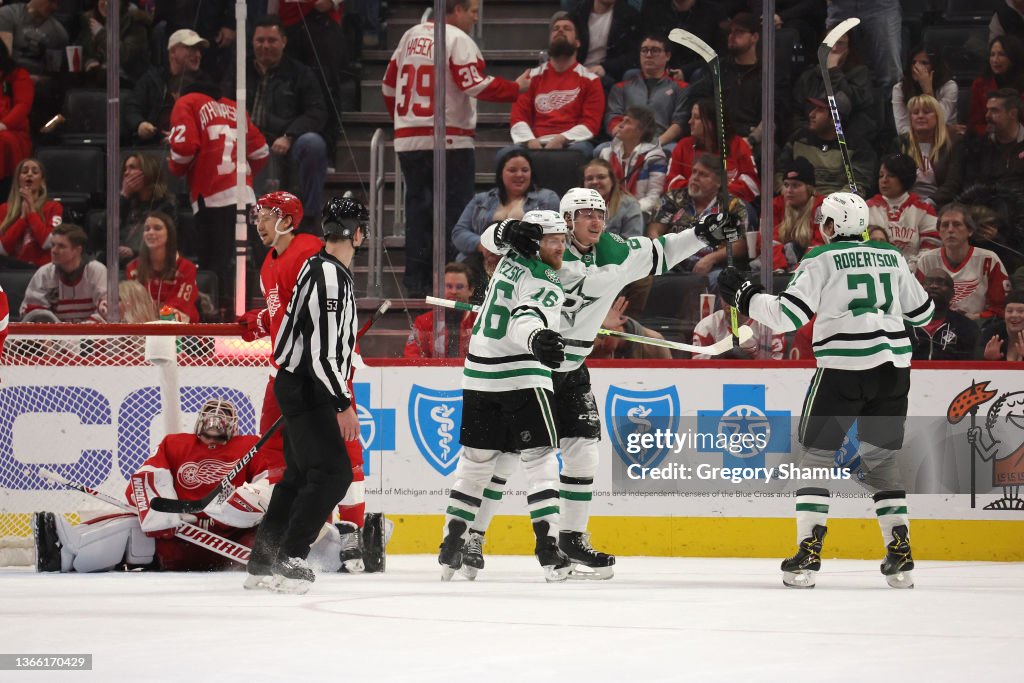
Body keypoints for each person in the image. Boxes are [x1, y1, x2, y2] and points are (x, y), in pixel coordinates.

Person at [462, 188, 727, 580]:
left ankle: (571, 538)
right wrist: (506, 232)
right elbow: (491, 240)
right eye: (585, 214)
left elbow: (663, 251)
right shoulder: (544, 245)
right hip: (527, 365)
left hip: (572, 365)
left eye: (600, 213)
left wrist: (704, 234)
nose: (596, 221)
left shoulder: (616, 252)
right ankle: (472, 536)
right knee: (506, 456)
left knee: (584, 450)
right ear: (566, 220)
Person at [718, 191, 936, 589]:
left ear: (832, 226)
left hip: (843, 372)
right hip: (893, 373)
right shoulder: (890, 255)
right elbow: (924, 313)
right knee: (881, 462)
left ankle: (808, 553)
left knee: (813, 457)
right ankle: (900, 555)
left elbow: (786, 317)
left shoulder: (820, 258)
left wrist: (744, 295)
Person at [437, 209, 572, 582]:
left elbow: (488, 238)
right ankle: (548, 546)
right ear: (536, 242)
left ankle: (453, 542)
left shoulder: (510, 255)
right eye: (553, 239)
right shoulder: (546, 278)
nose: (561, 246)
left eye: (563, 238)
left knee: (477, 465)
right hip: (522, 375)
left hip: (479, 375)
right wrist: (537, 339)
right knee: (541, 460)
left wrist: (507, 229)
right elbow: (524, 319)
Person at [245, 197, 367, 594]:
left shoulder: (314, 265)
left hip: (294, 381)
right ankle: (290, 555)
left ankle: (262, 561)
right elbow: (323, 351)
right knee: (334, 475)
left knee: (297, 477)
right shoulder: (330, 275)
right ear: (358, 234)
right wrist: (342, 402)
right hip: (309, 384)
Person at [383, 0, 530, 299]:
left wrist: (403, 121)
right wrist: (516, 89)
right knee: (455, 216)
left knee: (418, 213)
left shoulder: (409, 36)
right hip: (450, 139)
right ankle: (454, 285)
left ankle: (416, 283)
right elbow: (472, 82)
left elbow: (387, 86)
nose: (475, 18)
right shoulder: (457, 39)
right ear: (457, 10)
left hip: (409, 138)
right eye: (473, 12)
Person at [31, 399, 276, 573]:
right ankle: (61, 555)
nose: (214, 427)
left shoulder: (250, 445)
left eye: (221, 421)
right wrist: (163, 514)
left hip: (230, 542)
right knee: (128, 528)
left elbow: (269, 483)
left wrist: (242, 504)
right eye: (210, 418)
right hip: (177, 538)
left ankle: (68, 553)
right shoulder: (175, 444)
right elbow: (148, 475)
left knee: (267, 539)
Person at [168, 79, 269, 318]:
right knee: (247, 258)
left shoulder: (186, 102)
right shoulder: (235, 108)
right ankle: (248, 316)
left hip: (211, 197)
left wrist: (173, 166)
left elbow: (184, 149)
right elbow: (262, 151)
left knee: (215, 264)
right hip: (245, 193)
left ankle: (220, 319)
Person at [231, 15, 329, 220]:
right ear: (252, 42)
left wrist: (289, 135)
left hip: (283, 140)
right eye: (260, 40)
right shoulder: (238, 70)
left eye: (272, 40)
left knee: (313, 144)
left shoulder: (301, 73)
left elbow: (317, 112)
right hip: (244, 141)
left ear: (284, 42)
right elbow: (223, 104)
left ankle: (309, 218)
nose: (265, 46)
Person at [510, 12, 605, 157]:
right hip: (534, 142)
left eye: (567, 28)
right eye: (556, 29)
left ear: (578, 42)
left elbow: (590, 124)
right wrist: (530, 141)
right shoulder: (531, 77)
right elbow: (518, 117)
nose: (560, 30)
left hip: (571, 144)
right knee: (504, 155)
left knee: (581, 152)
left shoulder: (591, 80)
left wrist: (561, 139)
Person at [451, 150, 559, 278]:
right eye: (512, 170)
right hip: (481, 261)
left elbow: (556, 236)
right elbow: (458, 233)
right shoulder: (481, 200)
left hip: (526, 262)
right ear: (501, 174)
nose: (519, 175)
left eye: (525, 170)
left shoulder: (547, 198)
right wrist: (483, 245)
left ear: (531, 173)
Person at [649, 153, 751, 290]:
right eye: (694, 172)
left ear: (719, 182)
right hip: (673, 264)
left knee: (720, 279)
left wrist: (711, 259)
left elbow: (740, 245)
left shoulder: (732, 205)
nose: (695, 178)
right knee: (652, 275)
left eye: (703, 175)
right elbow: (654, 230)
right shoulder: (674, 198)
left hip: (713, 267)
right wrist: (663, 252)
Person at [915, 203, 1010, 320]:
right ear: (939, 232)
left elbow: (1001, 307)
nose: (950, 230)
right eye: (945, 225)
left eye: (957, 224)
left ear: (970, 231)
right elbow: (916, 301)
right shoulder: (927, 259)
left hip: (977, 326)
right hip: (935, 324)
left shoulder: (989, 259)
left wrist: (977, 317)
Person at [789, 26, 876, 144]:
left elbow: (854, 104)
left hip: (845, 141)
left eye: (840, 43)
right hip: (809, 138)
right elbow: (796, 112)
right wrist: (808, 131)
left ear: (848, 49)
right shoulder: (808, 77)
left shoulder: (860, 73)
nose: (834, 48)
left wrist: (833, 71)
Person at [776, 94, 875, 196]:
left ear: (835, 119)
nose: (811, 114)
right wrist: (785, 190)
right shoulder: (799, 139)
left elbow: (857, 186)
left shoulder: (857, 147)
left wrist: (827, 204)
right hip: (799, 203)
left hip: (837, 207)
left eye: (820, 110)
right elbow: (779, 172)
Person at [604, 33, 689, 152]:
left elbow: (679, 123)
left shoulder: (681, 88)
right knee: (601, 150)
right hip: (626, 140)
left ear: (667, 56)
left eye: (655, 50)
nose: (648, 55)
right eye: (644, 50)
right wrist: (628, 140)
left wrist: (656, 144)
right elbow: (612, 119)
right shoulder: (620, 87)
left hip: (663, 142)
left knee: (672, 150)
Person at [666, 98, 760, 204]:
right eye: (691, 117)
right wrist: (700, 191)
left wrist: (715, 192)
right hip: (688, 204)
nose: (690, 122)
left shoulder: (738, 145)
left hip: (728, 205)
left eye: (696, 118)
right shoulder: (683, 145)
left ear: (713, 122)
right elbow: (671, 182)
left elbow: (752, 185)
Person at [123, 28, 207, 146]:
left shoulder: (205, 85)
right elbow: (132, 108)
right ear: (173, 51)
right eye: (191, 48)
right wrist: (140, 125)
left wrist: (184, 135)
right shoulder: (152, 78)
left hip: (192, 147)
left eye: (198, 50)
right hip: (154, 147)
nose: (198, 54)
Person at [866, 153, 939, 273]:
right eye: (881, 175)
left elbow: (931, 248)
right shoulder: (866, 209)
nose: (884, 180)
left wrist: (910, 268)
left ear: (904, 177)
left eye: (891, 175)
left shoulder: (924, 210)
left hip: (913, 275)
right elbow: (859, 244)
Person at [20, 223, 106, 323]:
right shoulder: (44, 274)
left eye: (61, 246)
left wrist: (79, 334)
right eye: (53, 245)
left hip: (90, 336)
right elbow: (32, 314)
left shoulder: (97, 271)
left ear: (77, 250)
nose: (54, 250)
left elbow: (107, 312)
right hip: (54, 336)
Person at [125, 211, 200, 323]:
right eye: (147, 229)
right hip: (143, 330)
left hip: (181, 333)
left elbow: (178, 307)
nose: (151, 232)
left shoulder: (186, 268)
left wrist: (153, 319)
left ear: (169, 234)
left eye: (157, 228)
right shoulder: (133, 268)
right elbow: (134, 308)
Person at [105, 153, 178, 267]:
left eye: (132, 167)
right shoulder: (126, 201)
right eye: (125, 169)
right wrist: (124, 195)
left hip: (148, 263)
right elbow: (104, 228)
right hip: (118, 262)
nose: (126, 172)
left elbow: (166, 243)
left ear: (147, 171)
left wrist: (134, 253)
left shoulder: (166, 204)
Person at [892, 94, 964, 208]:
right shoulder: (901, 144)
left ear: (937, 116)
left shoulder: (953, 144)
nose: (920, 116)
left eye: (926, 112)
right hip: (904, 204)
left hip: (941, 205)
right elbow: (893, 177)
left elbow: (952, 184)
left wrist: (927, 203)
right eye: (915, 113)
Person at [757, 157, 824, 273]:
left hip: (812, 270)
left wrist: (799, 269)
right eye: (786, 185)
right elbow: (766, 242)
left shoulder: (823, 206)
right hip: (779, 268)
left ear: (809, 188)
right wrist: (779, 268)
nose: (789, 190)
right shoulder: (773, 206)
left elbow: (820, 244)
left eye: (796, 185)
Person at [599, 105, 667, 215]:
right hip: (608, 212)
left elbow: (654, 198)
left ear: (641, 130)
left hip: (641, 213)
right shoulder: (607, 154)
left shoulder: (655, 158)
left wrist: (627, 212)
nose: (620, 125)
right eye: (622, 120)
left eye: (627, 122)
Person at [404, 262, 477, 358]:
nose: (454, 292)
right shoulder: (423, 322)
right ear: (440, 289)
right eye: (448, 286)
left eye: (459, 287)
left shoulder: (480, 320)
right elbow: (412, 357)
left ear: (471, 290)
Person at [0, 158, 62, 268]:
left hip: (42, 269)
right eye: (24, 172)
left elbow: (48, 243)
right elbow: (2, 249)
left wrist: (31, 213)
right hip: (12, 270)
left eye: (35, 172)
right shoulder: (4, 209)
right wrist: (22, 219)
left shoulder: (54, 207)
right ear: (18, 180)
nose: (29, 174)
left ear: (42, 180)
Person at [76, 0, 152, 86]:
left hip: (126, 79)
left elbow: (126, 56)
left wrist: (102, 34)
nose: (106, 3)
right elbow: (83, 51)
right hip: (97, 77)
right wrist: (89, 62)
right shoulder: (90, 19)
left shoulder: (134, 21)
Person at [568, 0, 642, 87]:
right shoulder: (577, 14)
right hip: (577, 72)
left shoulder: (630, 16)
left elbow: (634, 55)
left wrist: (605, 68)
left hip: (608, 75)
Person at [909, 271, 979, 361]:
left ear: (953, 293)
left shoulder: (967, 327)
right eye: (928, 282)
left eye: (941, 283)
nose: (933, 286)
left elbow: (970, 365)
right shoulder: (902, 325)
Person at [692, 294, 784, 360]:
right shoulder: (707, 327)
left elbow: (774, 373)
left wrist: (747, 363)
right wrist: (718, 357)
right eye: (725, 298)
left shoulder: (771, 327)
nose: (728, 304)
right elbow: (699, 370)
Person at [968, 88, 1024, 194]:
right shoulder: (979, 145)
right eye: (987, 110)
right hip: (987, 205)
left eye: (994, 110)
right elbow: (971, 186)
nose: (987, 116)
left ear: (1012, 113)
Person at [892, 47, 957, 136]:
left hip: (944, 141)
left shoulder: (949, 87)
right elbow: (902, 129)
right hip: (911, 142)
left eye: (924, 63)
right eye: (913, 62)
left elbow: (941, 122)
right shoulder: (899, 88)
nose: (916, 67)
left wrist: (928, 91)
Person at [969, 36, 1024, 138]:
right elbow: (976, 123)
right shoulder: (980, 84)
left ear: (1013, 57)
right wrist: (995, 134)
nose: (995, 60)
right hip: (989, 140)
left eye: (1001, 54)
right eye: (992, 54)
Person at [589, 294, 672, 359]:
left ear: (618, 324)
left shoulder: (654, 342)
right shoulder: (596, 347)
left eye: (603, 334)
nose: (601, 342)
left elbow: (669, 375)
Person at [0, 40, 32, 193]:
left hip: (12, 131)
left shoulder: (17, 75)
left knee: (4, 140)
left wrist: (3, 125)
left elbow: (23, 105)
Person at [583, 158, 643, 239]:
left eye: (601, 177)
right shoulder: (575, 205)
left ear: (612, 181)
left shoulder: (629, 205)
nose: (594, 182)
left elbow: (632, 241)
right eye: (589, 178)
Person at [979, 290, 1024, 360]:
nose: (1014, 315)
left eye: (1021, 311)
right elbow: (973, 366)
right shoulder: (992, 333)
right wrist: (989, 360)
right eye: (1009, 311)